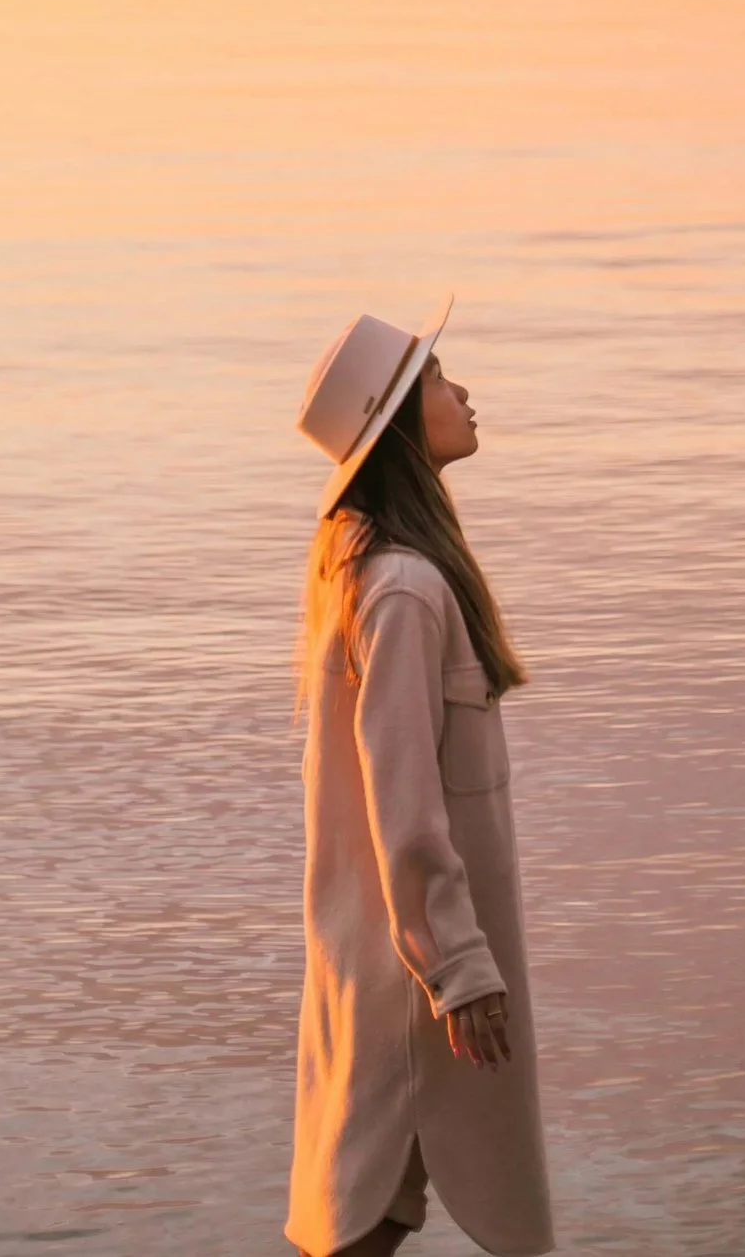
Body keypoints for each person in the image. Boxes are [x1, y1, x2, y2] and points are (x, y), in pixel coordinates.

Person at [287, 305, 555, 1257]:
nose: (464, 391)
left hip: (392, 955)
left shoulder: (380, 570)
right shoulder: (402, 584)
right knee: (368, 1210)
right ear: (402, 423)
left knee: (376, 1207)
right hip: (416, 973)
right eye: (441, 379)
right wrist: (457, 965)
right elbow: (402, 800)